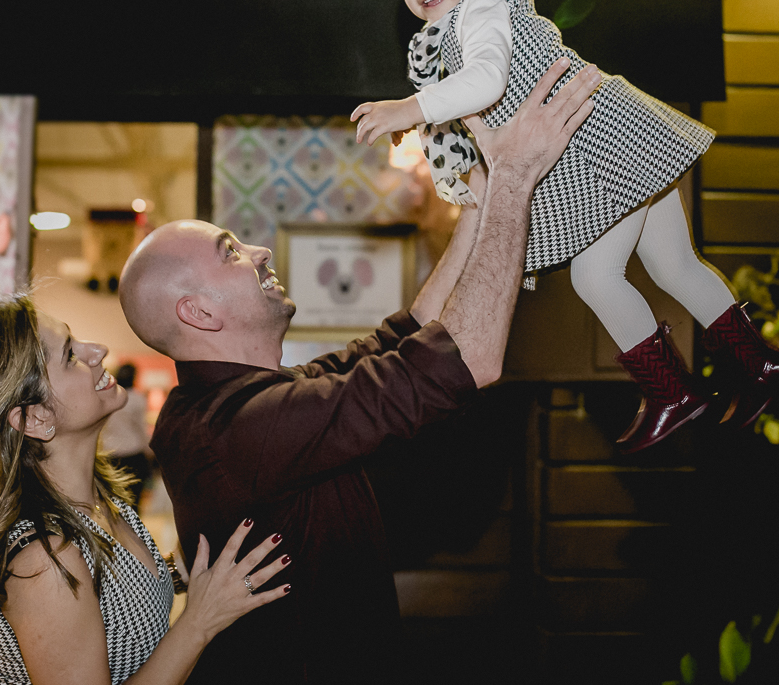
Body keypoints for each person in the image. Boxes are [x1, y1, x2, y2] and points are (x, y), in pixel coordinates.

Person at [118, 59, 600, 684]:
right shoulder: (246, 428)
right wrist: (514, 181)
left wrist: (480, 202)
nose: (259, 251)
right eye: (230, 252)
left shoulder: (243, 404)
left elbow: (405, 336)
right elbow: (470, 359)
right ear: (197, 311)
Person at [349, 0, 779, 452]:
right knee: (674, 264)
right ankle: (761, 364)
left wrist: (410, 107)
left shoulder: (483, 6)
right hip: (613, 132)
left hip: (596, 147)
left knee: (597, 277)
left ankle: (672, 394)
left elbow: (486, 80)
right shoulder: (483, 5)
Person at [0, 294, 291, 685]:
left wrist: (184, 567)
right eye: (69, 355)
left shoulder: (93, 498)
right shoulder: (43, 560)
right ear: (35, 417)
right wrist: (200, 620)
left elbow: (109, 600)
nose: (97, 350)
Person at [99, 362, 153, 505]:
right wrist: (148, 449)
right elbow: (141, 428)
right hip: (133, 452)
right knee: (134, 501)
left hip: (109, 453)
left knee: (114, 502)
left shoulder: (106, 396)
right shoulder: (136, 398)